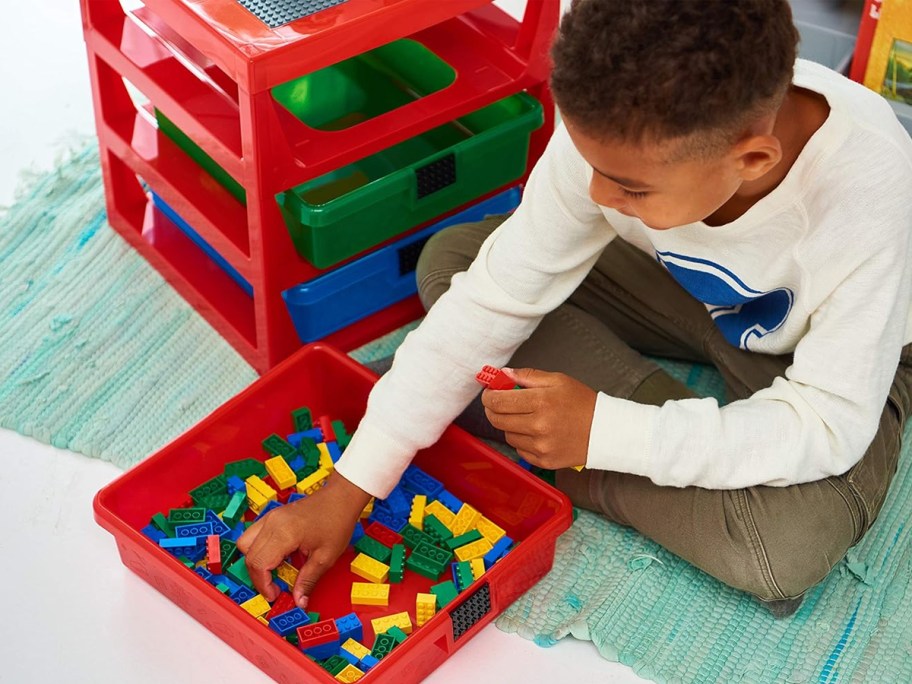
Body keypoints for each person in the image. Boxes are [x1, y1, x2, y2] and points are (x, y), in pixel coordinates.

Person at [238, 0, 912, 618]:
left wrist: (607, 433)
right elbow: (501, 289)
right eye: (585, 157)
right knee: (457, 260)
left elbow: (827, 425)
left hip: (819, 353)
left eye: (628, 186)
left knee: (780, 550)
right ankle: (541, 421)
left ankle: (551, 439)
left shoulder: (872, 190)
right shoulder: (626, 115)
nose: (593, 191)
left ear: (754, 159)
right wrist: (351, 485)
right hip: (684, 290)